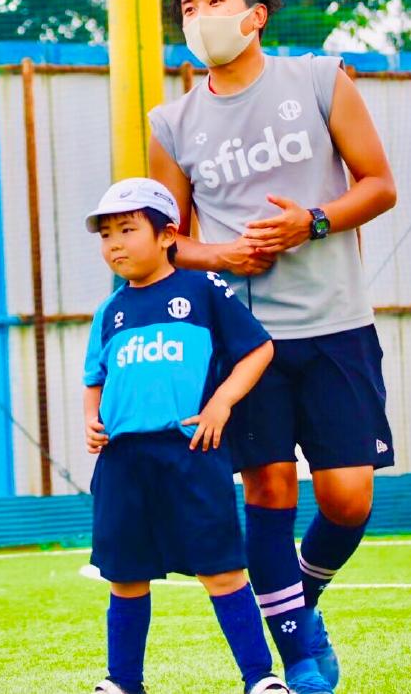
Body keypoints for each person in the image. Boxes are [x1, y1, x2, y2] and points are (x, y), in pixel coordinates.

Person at [148, 0, 398, 693]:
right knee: (268, 493)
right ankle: (297, 659)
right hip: (246, 342)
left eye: (215, 3)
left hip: (336, 324)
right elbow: (166, 240)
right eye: (188, 9)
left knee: (348, 496)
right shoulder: (172, 123)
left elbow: (379, 185)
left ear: (254, 15)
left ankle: (300, 602)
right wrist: (223, 253)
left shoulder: (320, 81)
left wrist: (310, 222)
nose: (200, 19)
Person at [82, 177, 288, 694]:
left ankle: (261, 678)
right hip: (123, 461)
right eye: (106, 235)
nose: (115, 244)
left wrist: (221, 403)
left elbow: (258, 349)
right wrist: (91, 419)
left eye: (127, 230)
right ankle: (122, 681)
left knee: (221, 570)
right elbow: (94, 377)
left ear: (167, 235)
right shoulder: (109, 312)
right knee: (125, 576)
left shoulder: (202, 289)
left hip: (192, 453)